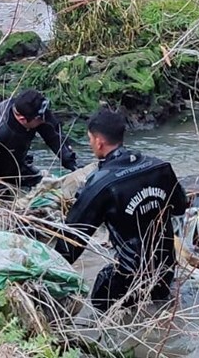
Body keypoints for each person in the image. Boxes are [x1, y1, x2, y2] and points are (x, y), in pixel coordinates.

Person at [55, 107, 188, 312]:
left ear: (98, 141)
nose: (91, 144)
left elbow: (71, 241)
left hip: (129, 280)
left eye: (90, 139)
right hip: (165, 270)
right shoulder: (160, 167)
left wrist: (48, 273)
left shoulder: (100, 185)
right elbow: (180, 208)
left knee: (100, 295)